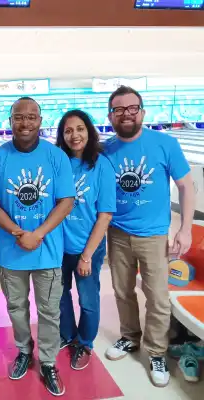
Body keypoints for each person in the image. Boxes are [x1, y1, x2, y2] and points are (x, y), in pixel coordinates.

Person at [0, 96, 75, 397]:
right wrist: (19, 232)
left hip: (47, 252)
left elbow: (66, 202)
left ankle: (47, 361)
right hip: (12, 252)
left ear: (40, 120)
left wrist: (39, 234)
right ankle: (24, 350)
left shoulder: (56, 156)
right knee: (17, 309)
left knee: (49, 312)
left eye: (31, 116)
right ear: (10, 122)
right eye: (19, 117)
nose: (25, 122)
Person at [103, 85, 195, 387]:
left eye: (132, 108)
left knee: (157, 296)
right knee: (122, 291)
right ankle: (130, 337)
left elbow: (186, 186)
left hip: (154, 236)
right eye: (119, 110)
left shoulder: (164, 143)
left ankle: (156, 351)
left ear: (142, 112)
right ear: (111, 115)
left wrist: (185, 228)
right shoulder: (106, 150)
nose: (126, 114)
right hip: (117, 234)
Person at [55, 110, 116, 370]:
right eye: (68, 130)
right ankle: (68, 335)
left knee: (88, 300)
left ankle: (86, 342)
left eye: (80, 129)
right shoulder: (57, 162)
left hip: (87, 247)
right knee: (60, 296)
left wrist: (87, 255)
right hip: (58, 247)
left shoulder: (101, 165)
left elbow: (104, 216)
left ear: (89, 131)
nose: (74, 135)